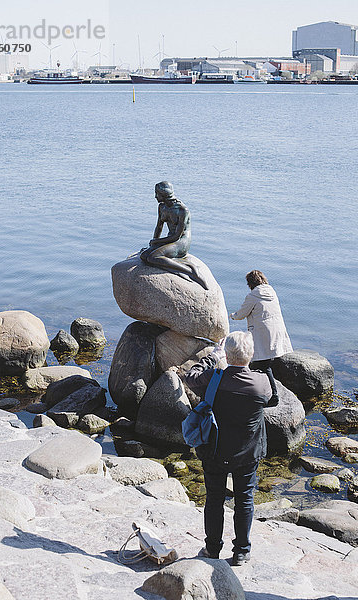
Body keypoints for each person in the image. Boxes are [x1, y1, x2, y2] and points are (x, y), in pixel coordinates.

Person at [184, 331, 277, 565]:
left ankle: (212, 549)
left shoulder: (213, 379)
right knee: (244, 500)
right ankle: (242, 552)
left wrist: (213, 357)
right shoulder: (261, 384)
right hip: (247, 453)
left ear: (226, 353)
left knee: (214, 499)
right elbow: (273, 399)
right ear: (251, 355)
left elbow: (189, 376)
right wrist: (265, 364)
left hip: (214, 450)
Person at [230, 270, 293, 403]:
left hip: (263, 335)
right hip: (277, 332)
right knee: (261, 364)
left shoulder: (252, 296)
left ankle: (273, 396)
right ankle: (258, 392)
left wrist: (232, 316)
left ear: (250, 283)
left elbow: (242, 313)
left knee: (262, 366)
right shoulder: (272, 292)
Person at [140, 181, 208, 289]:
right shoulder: (162, 207)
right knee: (144, 256)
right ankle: (172, 264)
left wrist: (157, 242)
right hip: (169, 240)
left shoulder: (182, 210)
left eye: (157, 194)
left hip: (181, 242)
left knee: (153, 257)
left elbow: (177, 236)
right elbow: (159, 227)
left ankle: (191, 271)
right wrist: (153, 243)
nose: (155, 196)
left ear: (164, 195)